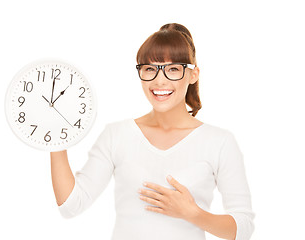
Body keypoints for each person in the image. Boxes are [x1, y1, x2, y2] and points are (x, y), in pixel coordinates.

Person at [50, 23, 255, 240]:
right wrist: (55, 139)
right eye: (149, 69)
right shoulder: (116, 135)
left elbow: (243, 228)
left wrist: (192, 213)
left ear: (193, 74)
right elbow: (71, 206)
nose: (159, 80)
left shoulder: (219, 142)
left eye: (173, 69)